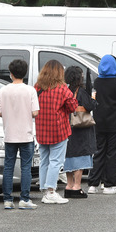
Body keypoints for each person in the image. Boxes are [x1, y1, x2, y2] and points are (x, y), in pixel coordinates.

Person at [88, 55, 116, 194]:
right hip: (115, 122)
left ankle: (93, 184)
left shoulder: (97, 82)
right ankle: (109, 184)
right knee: (112, 153)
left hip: (99, 121)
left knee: (99, 152)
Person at [0, 59, 39, 209]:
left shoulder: (3, 90)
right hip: (26, 134)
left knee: (8, 166)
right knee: (26, 167)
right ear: (25, 73)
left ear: (11, 73)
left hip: (9, 133)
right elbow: (35, 112)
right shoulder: (30, 90)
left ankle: (7, 200)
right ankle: (24, 199)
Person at [35, 60, 78, 204]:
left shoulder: (37, 87)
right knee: (56, 161)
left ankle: (44, 189)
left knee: (44, 160)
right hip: (58, 130)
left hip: (41, 129)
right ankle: (51, 191)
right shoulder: (62, 88)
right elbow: (73, 106)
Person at [63, 66, 96, 198]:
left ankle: (69, 185)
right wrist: (93, 99)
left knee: (69, 157)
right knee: (81, 157)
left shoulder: (65, 90)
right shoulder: (80, 91)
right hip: (81, 129)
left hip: (68, 127)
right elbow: (90, 106)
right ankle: (77, 186)